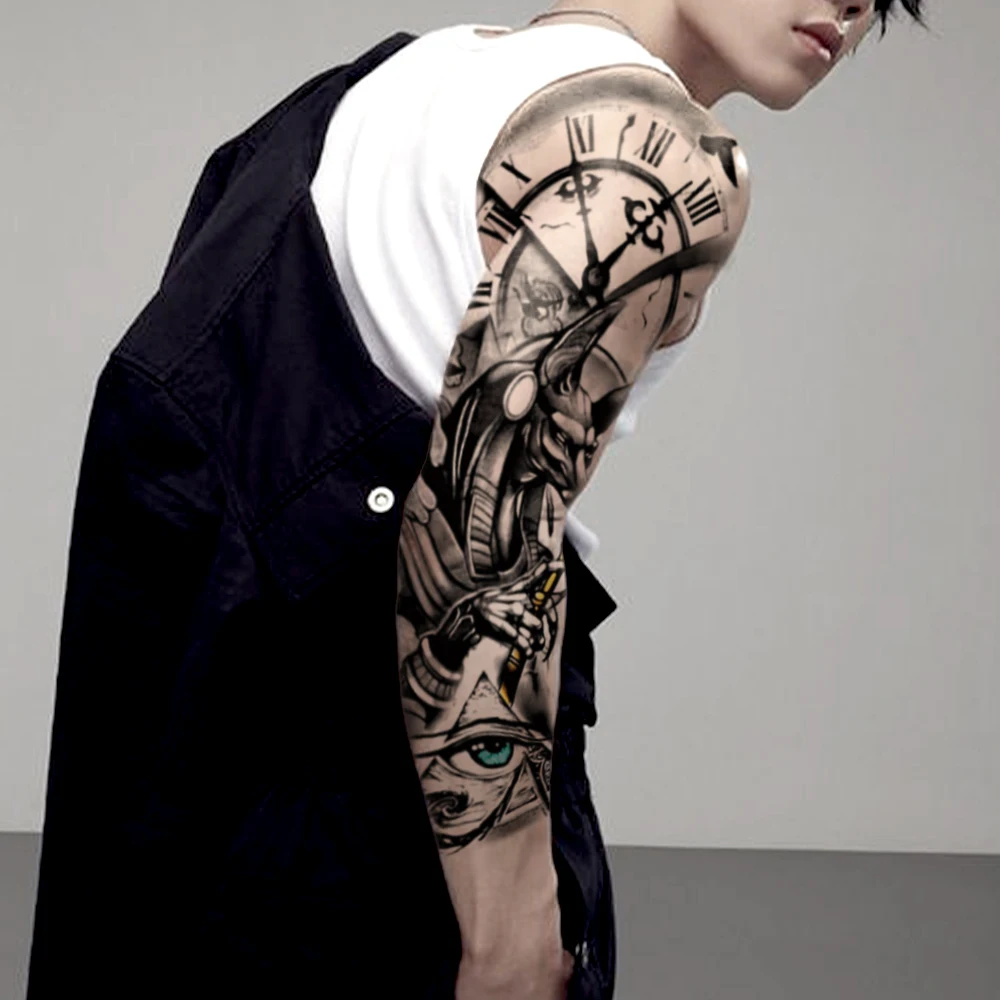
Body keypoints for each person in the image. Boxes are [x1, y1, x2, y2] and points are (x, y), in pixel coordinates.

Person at [26, 3, 928, 1000]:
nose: (858, 5)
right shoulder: (657, 155)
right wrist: (508, 934)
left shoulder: (392, 82)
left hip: (182, 798)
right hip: (395, 831)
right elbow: (477, 528)